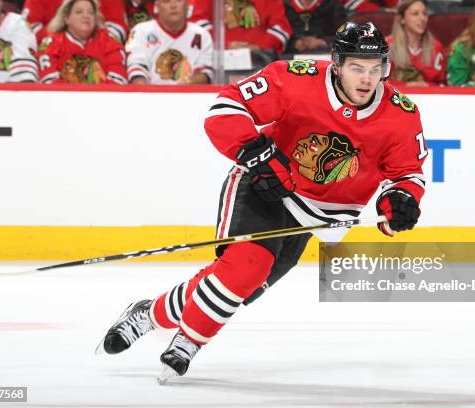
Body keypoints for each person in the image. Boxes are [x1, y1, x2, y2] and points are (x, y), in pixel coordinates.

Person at [98, 21, 427, 384]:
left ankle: (149, 314)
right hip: (263, 186)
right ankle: (187, 344)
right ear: (336, 64)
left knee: (237, 286)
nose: (367, 79)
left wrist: (400, 200)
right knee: (244, 270)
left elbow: (407, 173)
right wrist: (256, 155)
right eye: (356, 68)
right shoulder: (295, 78)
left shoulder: (401, 113)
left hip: (313, 216)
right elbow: (225, 108)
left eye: (374, 69)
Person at [38, 0, 127, 84]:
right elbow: (49, 83)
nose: (86, 16)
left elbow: (118, 80)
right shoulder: (51, 43)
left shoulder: (109, 40)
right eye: (79, 12)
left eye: (91, 12)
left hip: (103, 98)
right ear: (66, 17)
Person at [126, 0, 212, 84]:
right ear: (157, 6)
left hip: (189, 96)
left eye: (179, 1)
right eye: (166, 1)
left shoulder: (202, 35)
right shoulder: (140, 31)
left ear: (187, 5)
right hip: (150, 95)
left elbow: (204, 74)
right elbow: (137, 73)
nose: (173, 5)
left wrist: (179, 91)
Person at [188, 0, 293, 55]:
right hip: (220, 57)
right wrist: (225, 45)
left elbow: (281, 29)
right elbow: (198, 24)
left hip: (260, 58)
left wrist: (258, 47)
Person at [386, 0, 446, 86]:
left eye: (425, 14)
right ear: (402, 19)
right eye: (415, 14)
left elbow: (443, 85)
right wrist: (406, 86)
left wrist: (427, 85)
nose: (422, 18)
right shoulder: (386, 46)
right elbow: (379, 83)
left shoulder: (436, 47)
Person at [22, 0, 127, 43]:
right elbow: (28, 30)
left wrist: (89, 41)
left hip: (100, 54)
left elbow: (118, 28)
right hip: (50, 54)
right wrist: (63, 40)